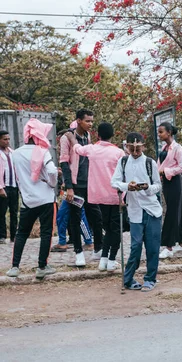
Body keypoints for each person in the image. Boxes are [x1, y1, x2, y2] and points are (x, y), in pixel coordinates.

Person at [65, 122, 125, 271]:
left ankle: (104, 259)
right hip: (115, 195)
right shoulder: (119, 153)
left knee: (107, 228)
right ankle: (111, 260)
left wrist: (72, 138)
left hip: (98, 195)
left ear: (98, 135)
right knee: (115, 229)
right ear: (112, 135)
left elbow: (77, 149)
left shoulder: (92, 149)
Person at [6, 119, 58, 279]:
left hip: (28, 199)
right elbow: (52, 171)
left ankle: (15, 267)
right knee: (46, 232)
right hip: (46, 199)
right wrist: (52, 183)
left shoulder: (16, 153)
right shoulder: (42, 151)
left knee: (21, 233)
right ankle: (42, 266)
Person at [111, 132, 162, 292]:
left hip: (152, 210)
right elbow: (114, 182)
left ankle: (150, 278)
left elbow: (157, 185)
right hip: (134, 210)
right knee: (136, 246)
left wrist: (147, 188)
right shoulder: (123, 161)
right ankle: (128, 278)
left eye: (137, 149)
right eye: (131, 149)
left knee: (153, 247)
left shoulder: (149, 162)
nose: (134, 152)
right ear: (126, 147)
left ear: (143, 146)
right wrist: (127, 186)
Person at [60, 109, 104, 267]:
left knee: (97, 217)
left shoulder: (87, 136)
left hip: (90, 184)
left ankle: (98, 249)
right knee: (75, 218)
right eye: (88, 121)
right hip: (76, 185)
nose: (90, 124)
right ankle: (79, 253)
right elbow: (64, 163)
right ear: (78, 121)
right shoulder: (67, 138)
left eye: (92, 121)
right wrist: (69, 188)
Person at [156, 123, 182, 260]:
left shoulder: (177, 148)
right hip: (167, 182)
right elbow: (158, 166)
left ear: (169, 132)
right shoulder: (165, 148)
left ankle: (169, 246)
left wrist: (166, 171)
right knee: (176, 212)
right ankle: (180, 243)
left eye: (161, 132)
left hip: (175, 182)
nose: (159, 134)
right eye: (158, 132)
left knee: (172, 213)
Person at [0, 130, 18, 244]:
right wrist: (0, 187)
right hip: (4, 186)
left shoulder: (12, 152)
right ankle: (2, 236)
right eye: (4, 139)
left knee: (14, 212)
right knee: (1, 212)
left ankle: (14, 235)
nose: (7, 141)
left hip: (14, 185)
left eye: (8, 139)